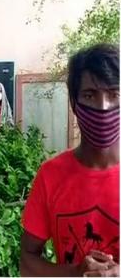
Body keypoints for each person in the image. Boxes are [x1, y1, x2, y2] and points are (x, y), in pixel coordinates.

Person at [20, 44, 119, 277]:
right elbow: (27, 261)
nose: (103, 107)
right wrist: (75, 272)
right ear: (74, 103)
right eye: (89, 95)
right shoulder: (51, 176)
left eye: (114, 94)